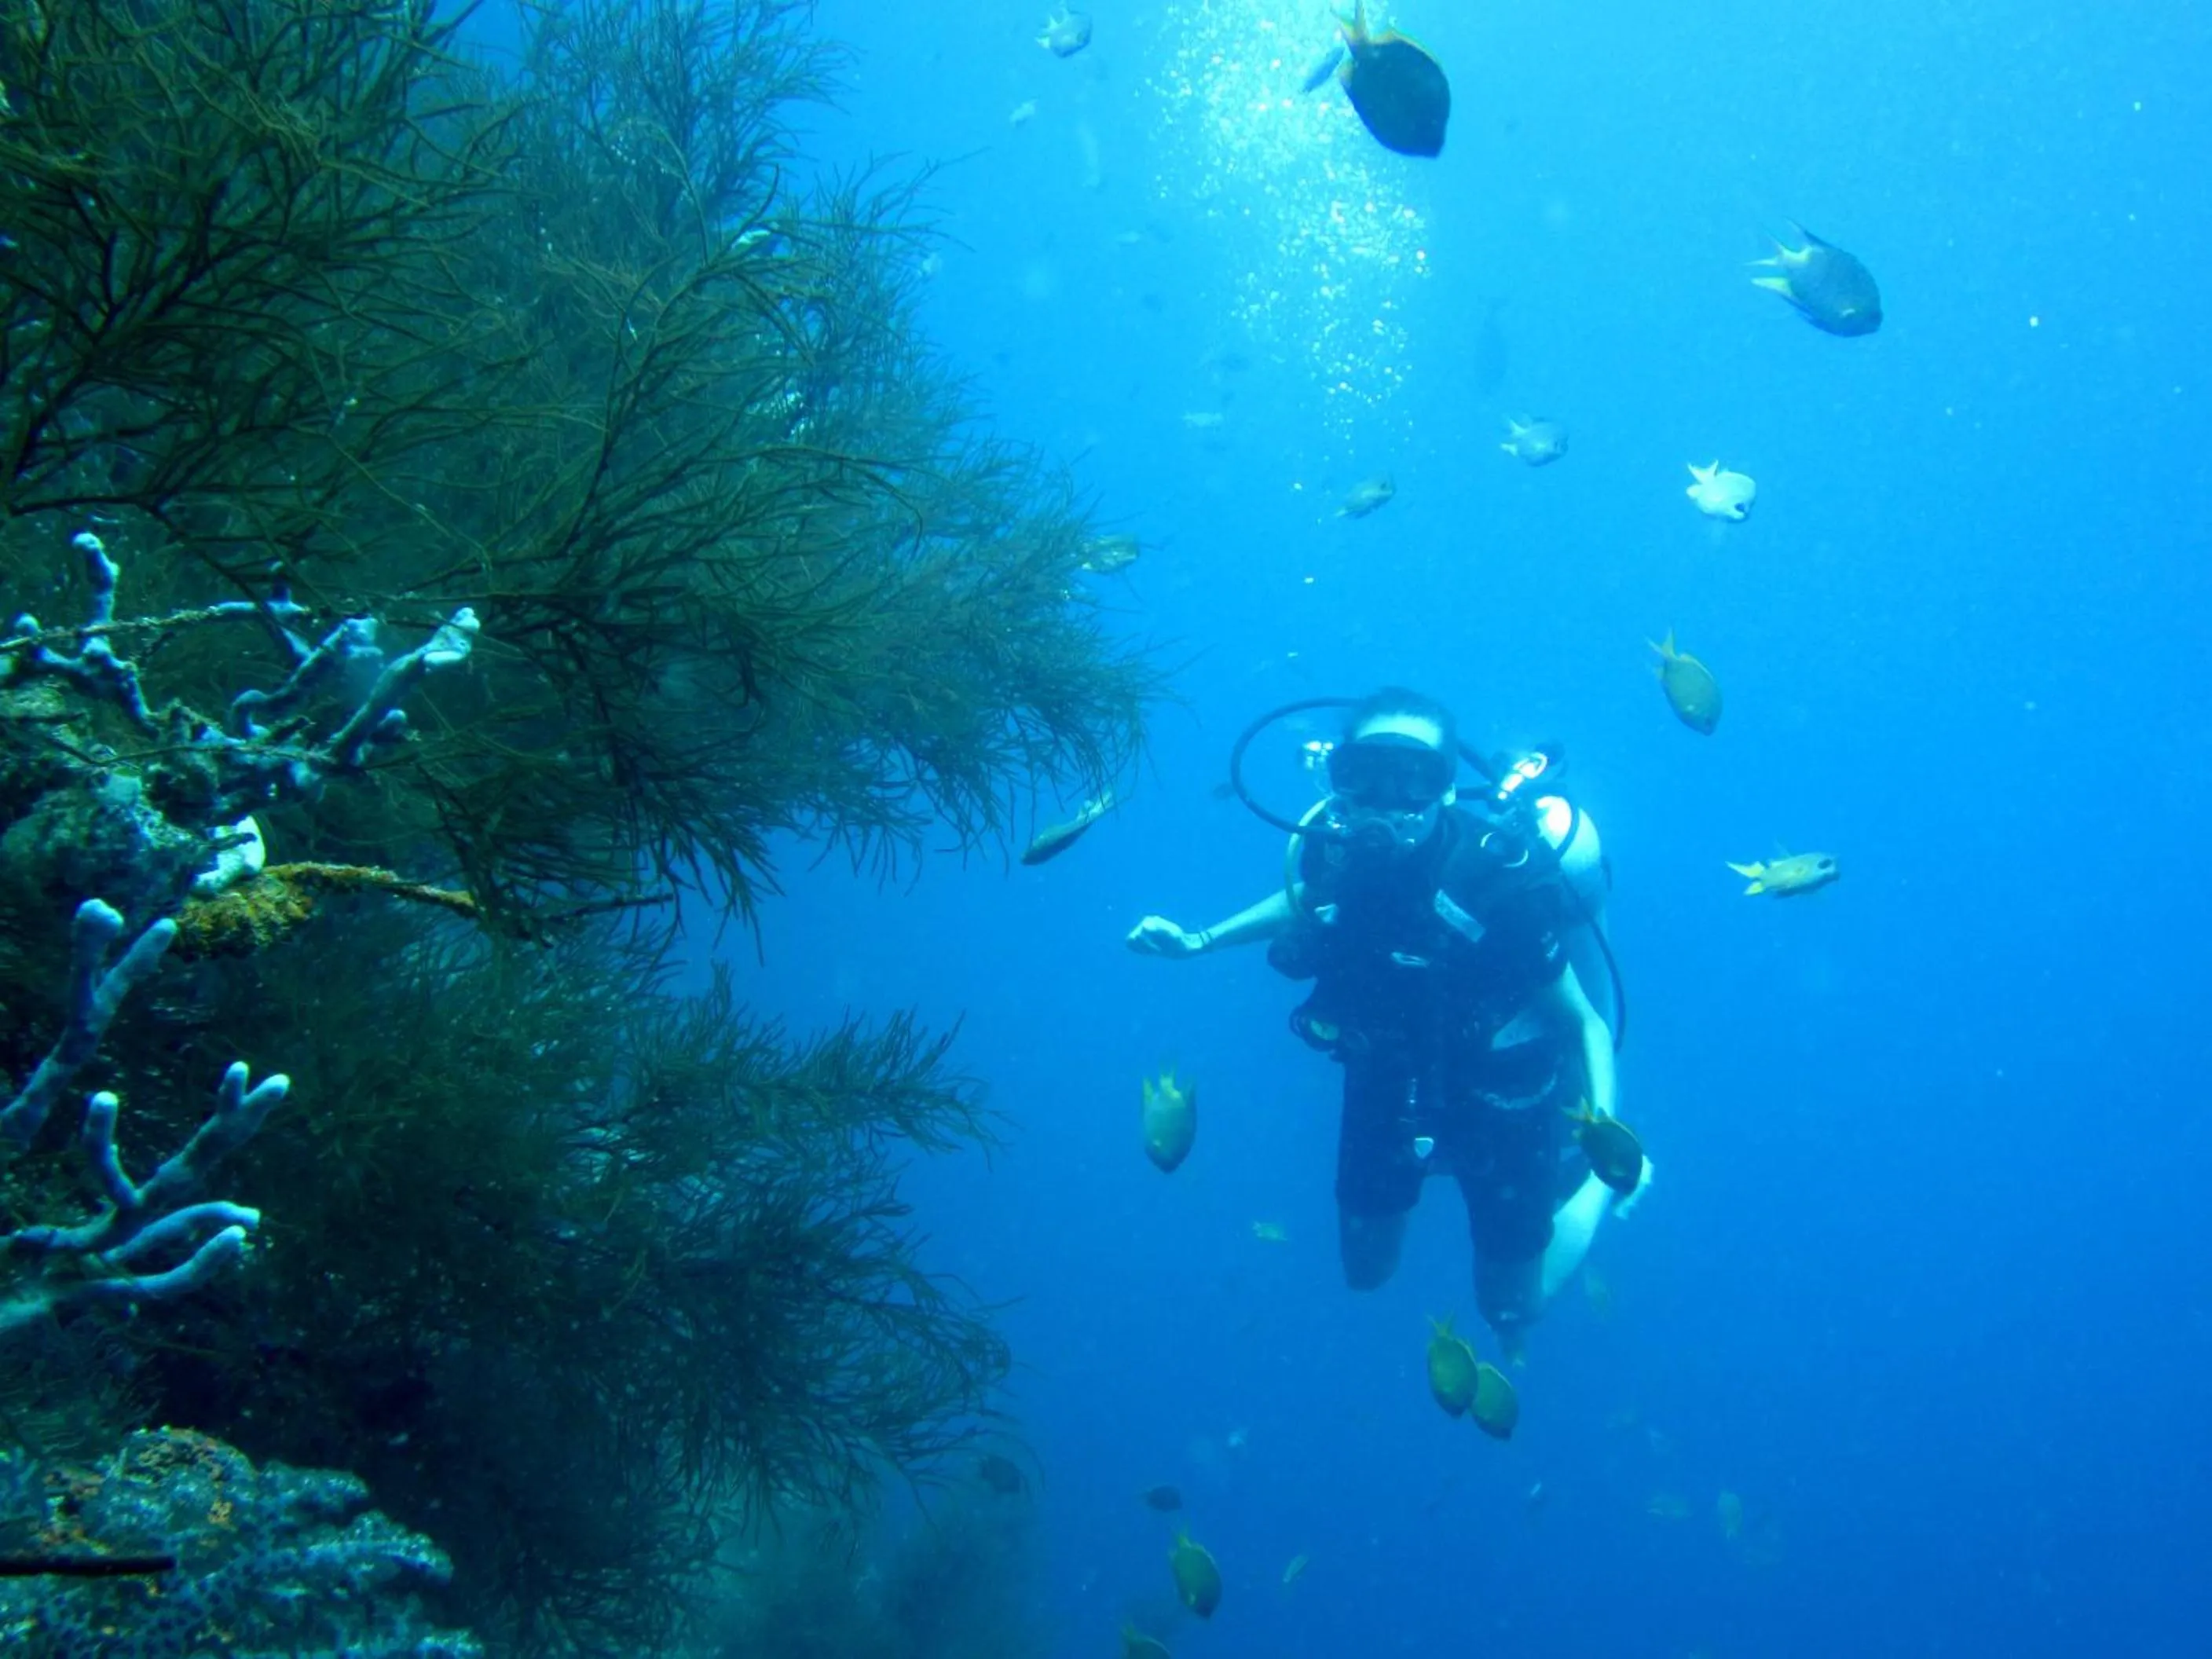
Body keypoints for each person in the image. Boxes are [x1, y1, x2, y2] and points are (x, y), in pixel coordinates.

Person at [1126, 687, 1646, 1352]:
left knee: (1510, 1310)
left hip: (1506, 1092)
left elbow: (1585, 1024)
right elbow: (1303, 901)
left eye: (1414, 780)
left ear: (1447, 790)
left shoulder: (1496, 881)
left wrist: (1610, 1142)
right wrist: (1200, 941)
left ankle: (1591, 1192)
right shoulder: (1334, 851)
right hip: (1386, 1072)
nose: (1385, 801)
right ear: (1335, 775)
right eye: (1365, 775)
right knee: (1366, 1272)